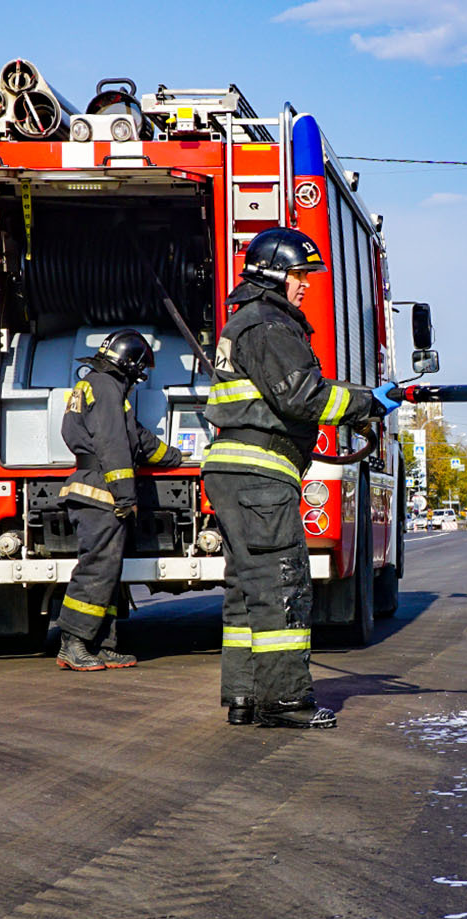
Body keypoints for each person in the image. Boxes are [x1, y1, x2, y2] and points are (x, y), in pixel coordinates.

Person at [202, 226, 401, 729]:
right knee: (283, 584)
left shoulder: (248, 322)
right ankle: (286, 702)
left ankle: (246, 698)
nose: (305, 284)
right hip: (260, 473)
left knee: (248, 589)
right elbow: (303, 397)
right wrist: (367, 402)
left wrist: (357, 405)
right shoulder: (269, 325)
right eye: (299, 274)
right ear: (273, 274)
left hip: (239, 472)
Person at [55, 329, 184, 671]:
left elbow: (137, 438)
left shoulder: (100, 386)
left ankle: (100, 643)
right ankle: (73, 642)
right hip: (101, 492)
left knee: (108, 572)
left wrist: (174, 456)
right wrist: (126, 496)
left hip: (96, 489)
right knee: (96, 568)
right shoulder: (106, 387)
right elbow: (114, 444)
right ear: (129, 364)